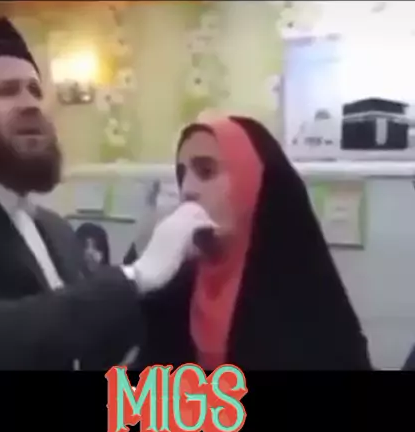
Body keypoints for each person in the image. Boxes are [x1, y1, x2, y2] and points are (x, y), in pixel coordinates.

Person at [0, 17, 216, 371]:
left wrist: (172, 271)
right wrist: (136, 276)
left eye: (35, 90)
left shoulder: (54, 229)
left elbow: (95, 343)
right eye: (5, 91)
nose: (31, 104)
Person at [130, 115, 372, 371]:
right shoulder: (173, 290)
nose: (187, 189)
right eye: (182, 175)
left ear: (253, 185)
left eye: (206, 171)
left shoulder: (306, 299)